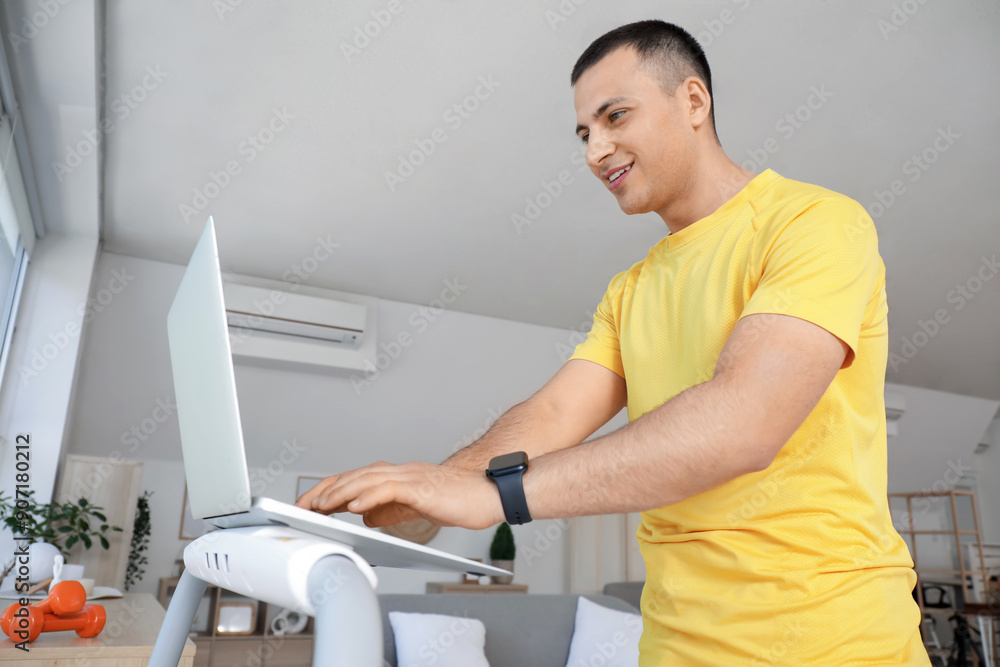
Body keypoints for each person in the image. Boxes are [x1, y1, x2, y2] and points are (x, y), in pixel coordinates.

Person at [295, 19, 930, 666]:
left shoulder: (815, 223)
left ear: (693, 101)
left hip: (838, 645)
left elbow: (745, 421)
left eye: (615, 116)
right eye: (583, 133)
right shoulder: (631, 289)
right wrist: (433, 491)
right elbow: (552, 415)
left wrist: (495, 495)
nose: (595, 150)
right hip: (673, 649)